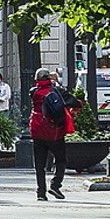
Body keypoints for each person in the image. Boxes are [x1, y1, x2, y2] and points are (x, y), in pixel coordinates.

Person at [29, 68, 72, 201]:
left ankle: (41, 192)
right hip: (55, 132)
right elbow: (75, 102)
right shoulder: (57, 91)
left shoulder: (33, 92)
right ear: (49, 78)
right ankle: (55, 184)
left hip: (37, 131)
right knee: (61, 160)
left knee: (39, 164)